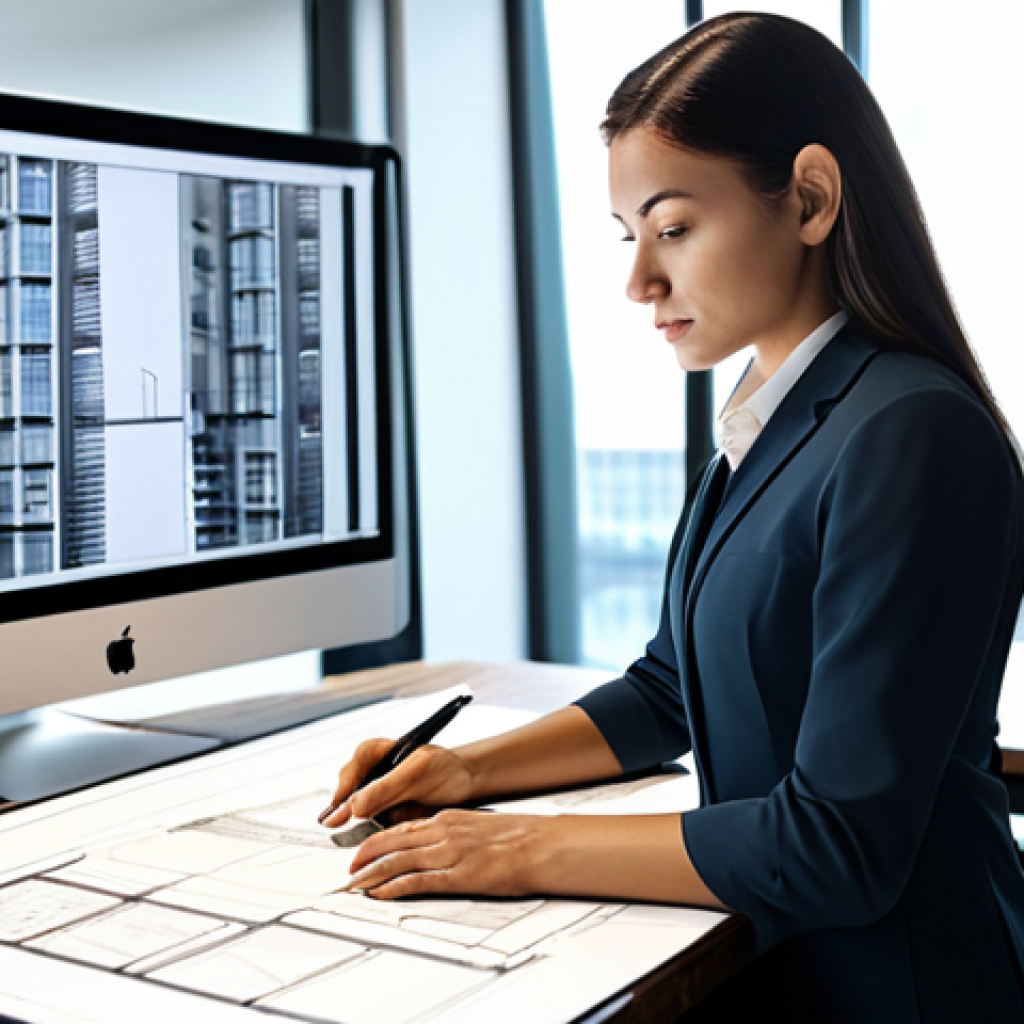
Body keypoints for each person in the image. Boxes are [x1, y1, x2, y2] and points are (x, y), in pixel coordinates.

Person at [321, 13, 1024, 1021]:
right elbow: (669, 690)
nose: (638, 281)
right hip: (784, 964)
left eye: (673, 228)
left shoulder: (912, 431)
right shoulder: (767, 414)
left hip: (905, 988)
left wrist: (516, 851)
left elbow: (841, 842)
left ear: (811, 199)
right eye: (628, 237)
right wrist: (464, 772)